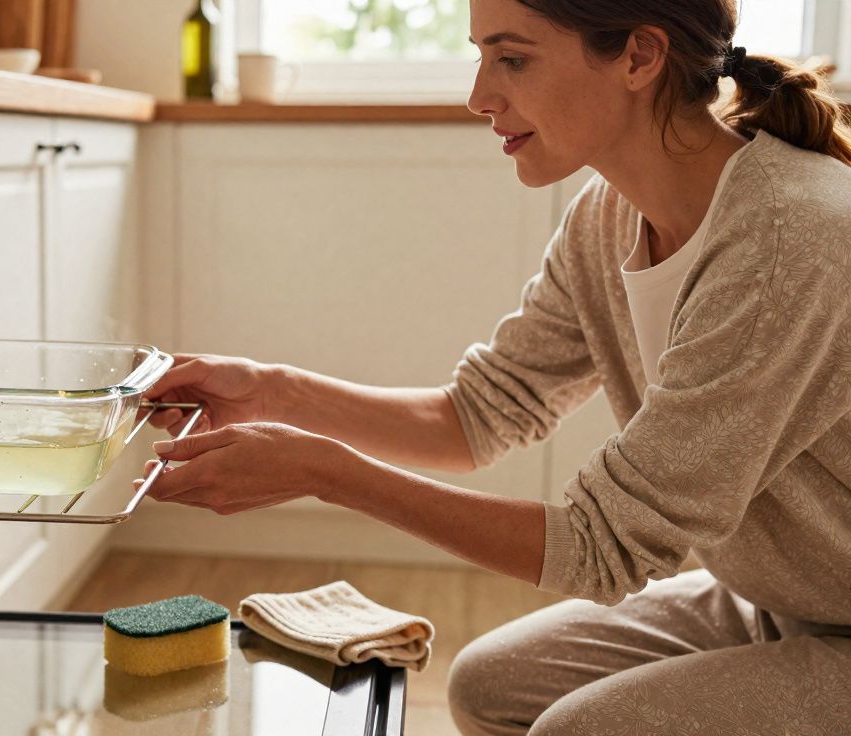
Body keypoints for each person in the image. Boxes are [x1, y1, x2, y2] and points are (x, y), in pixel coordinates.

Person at [134, 0, 851, 732]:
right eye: (481, 56)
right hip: (783, 600)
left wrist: (325, 472)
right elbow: (475, 416)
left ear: (639, 56)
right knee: (489, 683)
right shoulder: (606, 220)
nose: (480, 95)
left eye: (512, 59)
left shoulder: (788, 239)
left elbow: (603, 546)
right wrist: (270, 392)